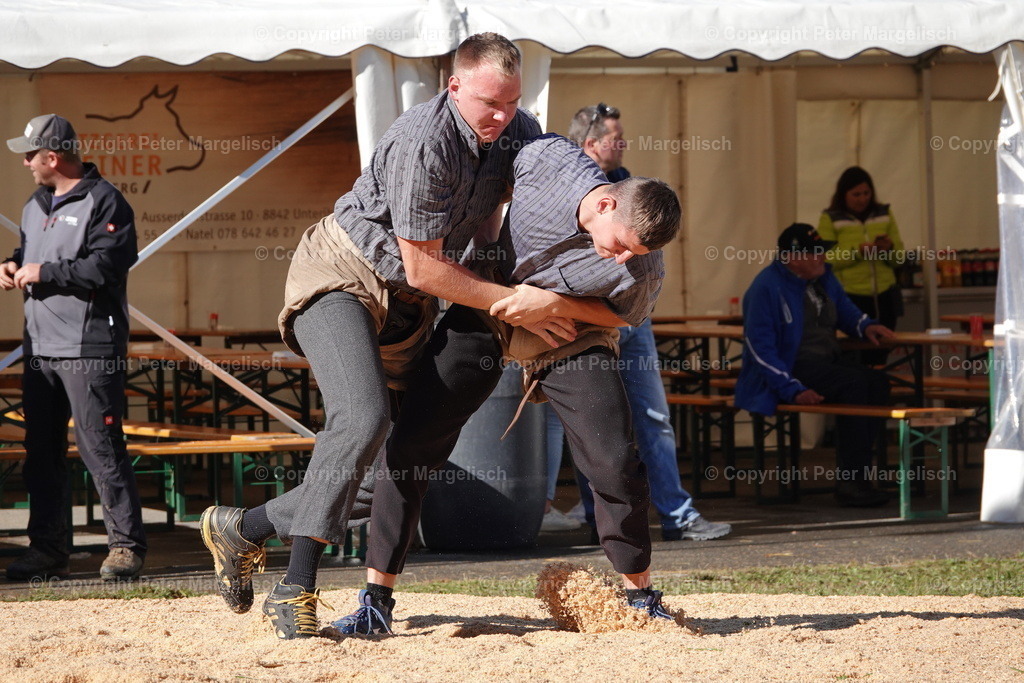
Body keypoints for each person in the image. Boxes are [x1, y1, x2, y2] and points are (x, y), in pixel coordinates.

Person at [198, 34, 616, 640]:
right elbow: (422, 266)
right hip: (342, 274)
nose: (503, 116)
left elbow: (555, 175)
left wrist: (605, 213)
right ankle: (297, 585)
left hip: (410, 304)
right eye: (489, 102)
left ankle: (245, 527)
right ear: (453, 86)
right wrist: (514, 304)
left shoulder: (516, 130)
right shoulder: (426, 140)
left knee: (400, 464)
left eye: (512, 102)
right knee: (361, 419)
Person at [333, 133, 682, 636]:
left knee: (614, 460)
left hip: (570, 333)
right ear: (605, 203)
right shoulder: (545, 159)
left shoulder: (643, 262)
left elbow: (626, 316)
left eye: (637, 254)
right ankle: (375, 600)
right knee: (414, 441)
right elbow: (481, 178)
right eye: (622, 245)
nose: (624, 259)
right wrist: (485, 256)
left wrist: (555, 305)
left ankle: (641, 597)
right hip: (490, 306)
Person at [542, 103, 731, 542]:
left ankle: (678, 515)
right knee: (591, 423)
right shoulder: (563, 188)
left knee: (651, 417)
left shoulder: (630, 188)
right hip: (582, 321)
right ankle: (599, 519)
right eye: (616, 138)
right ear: (589, 144)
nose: (624, 144)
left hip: (630, 321)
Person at [2, 114, 146, 581]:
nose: (24, 161)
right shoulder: (34, 204)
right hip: (39, 348)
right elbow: (31, 255)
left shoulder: (106, 202)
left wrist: (45, 272)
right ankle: (47, 550)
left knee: (101, 448)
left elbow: (109, 265)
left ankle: (126, 548)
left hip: (89, 346)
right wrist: (14, 264)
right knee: (40, 451)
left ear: (53, 155)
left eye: (29, 153)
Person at [735, 223, 895, 507]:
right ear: (792, 258)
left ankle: (860, 476)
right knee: (856, 385)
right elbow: (761, 351)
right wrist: (792, 389)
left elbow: (845, 309)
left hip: (824, 362)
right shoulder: (765, 288)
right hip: (792, 366)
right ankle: (851, 482)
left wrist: (866, 325)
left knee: (879, 383)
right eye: (814, 252)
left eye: (822, 251)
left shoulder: (823, 279)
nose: (822, 257)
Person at [817, 166, 905, 364]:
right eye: (856, 194)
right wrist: (857, 252)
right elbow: (825, 259)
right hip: (850, 299)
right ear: (843, 194)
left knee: (880, 355)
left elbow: (900, 260)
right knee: (852, 357)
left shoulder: (885, 214)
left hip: (884, 297)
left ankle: (879, 391)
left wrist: (889, 248)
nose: (862, 199)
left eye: (866, 193)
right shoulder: (830, 218)